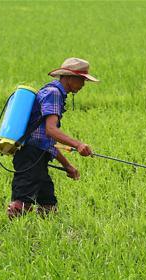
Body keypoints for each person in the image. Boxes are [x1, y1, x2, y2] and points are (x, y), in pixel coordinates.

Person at [7, 57, 98, 219]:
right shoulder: (54, 93)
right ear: (69, 78)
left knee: (47, 201)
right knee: (21, 204)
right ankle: (11, 236)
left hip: (37, 156)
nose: (83, 85)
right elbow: (51, 131)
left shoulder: (53, 92)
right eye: (82, 80)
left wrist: (68, 165)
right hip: (30, 156)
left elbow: (46, 142)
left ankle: (47, 234)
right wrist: (78, 145)